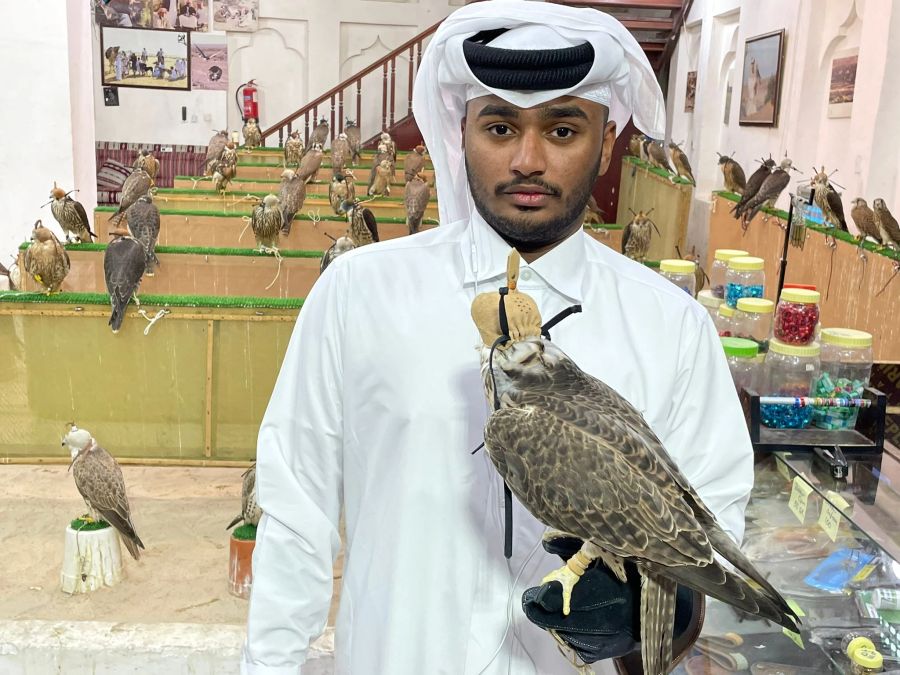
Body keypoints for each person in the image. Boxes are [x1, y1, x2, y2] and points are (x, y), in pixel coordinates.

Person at [241, 2, 754, 674]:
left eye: (563, 129)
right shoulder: (359, 294)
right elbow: (295, 515)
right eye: (501, 126)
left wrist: (660, 610)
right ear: (462, 134)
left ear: (606, 143)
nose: (527, 158)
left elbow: (709, 543)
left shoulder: (671, 327)